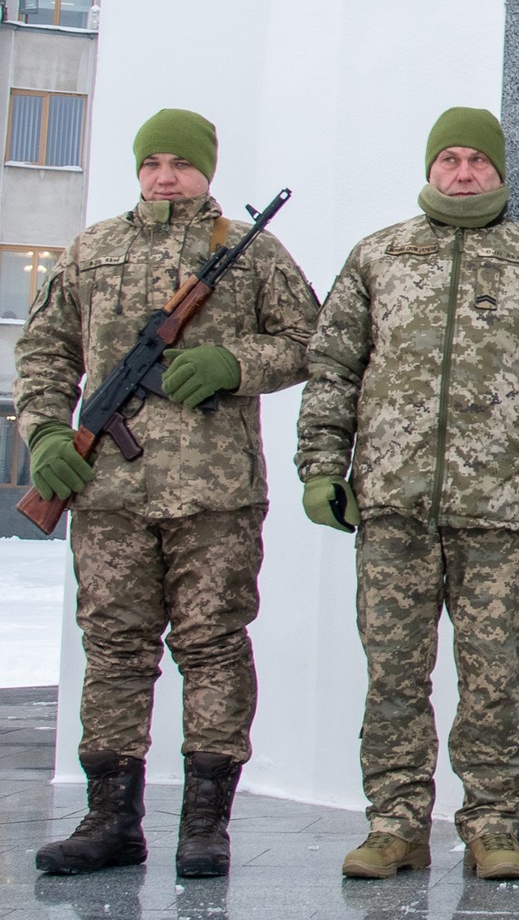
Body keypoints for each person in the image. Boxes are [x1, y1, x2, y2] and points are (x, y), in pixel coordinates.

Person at [296, 108, 519, 881]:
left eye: (477, 160)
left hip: (500, 515)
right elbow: (333, 367)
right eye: (450, 159)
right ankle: (395, 823)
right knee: (394, 677)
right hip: (394, 509)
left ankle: (492, 823)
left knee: (493, 679)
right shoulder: (378, 257)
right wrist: (320, 466)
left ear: (500, 171)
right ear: (431, 168)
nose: (463, 172)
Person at [20, 110, 321, 879]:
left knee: (214, 648)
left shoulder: (246, 252)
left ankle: (205, 824)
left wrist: (232, 362)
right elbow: (45, 348)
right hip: (108, 493)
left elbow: (312, 339)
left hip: (214, 496)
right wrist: (48, 435)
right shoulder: (94, 248)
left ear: (206, 170)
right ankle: (110, 818)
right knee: (115, 652)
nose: (164, 176)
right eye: (151, 162)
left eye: (179, 164)